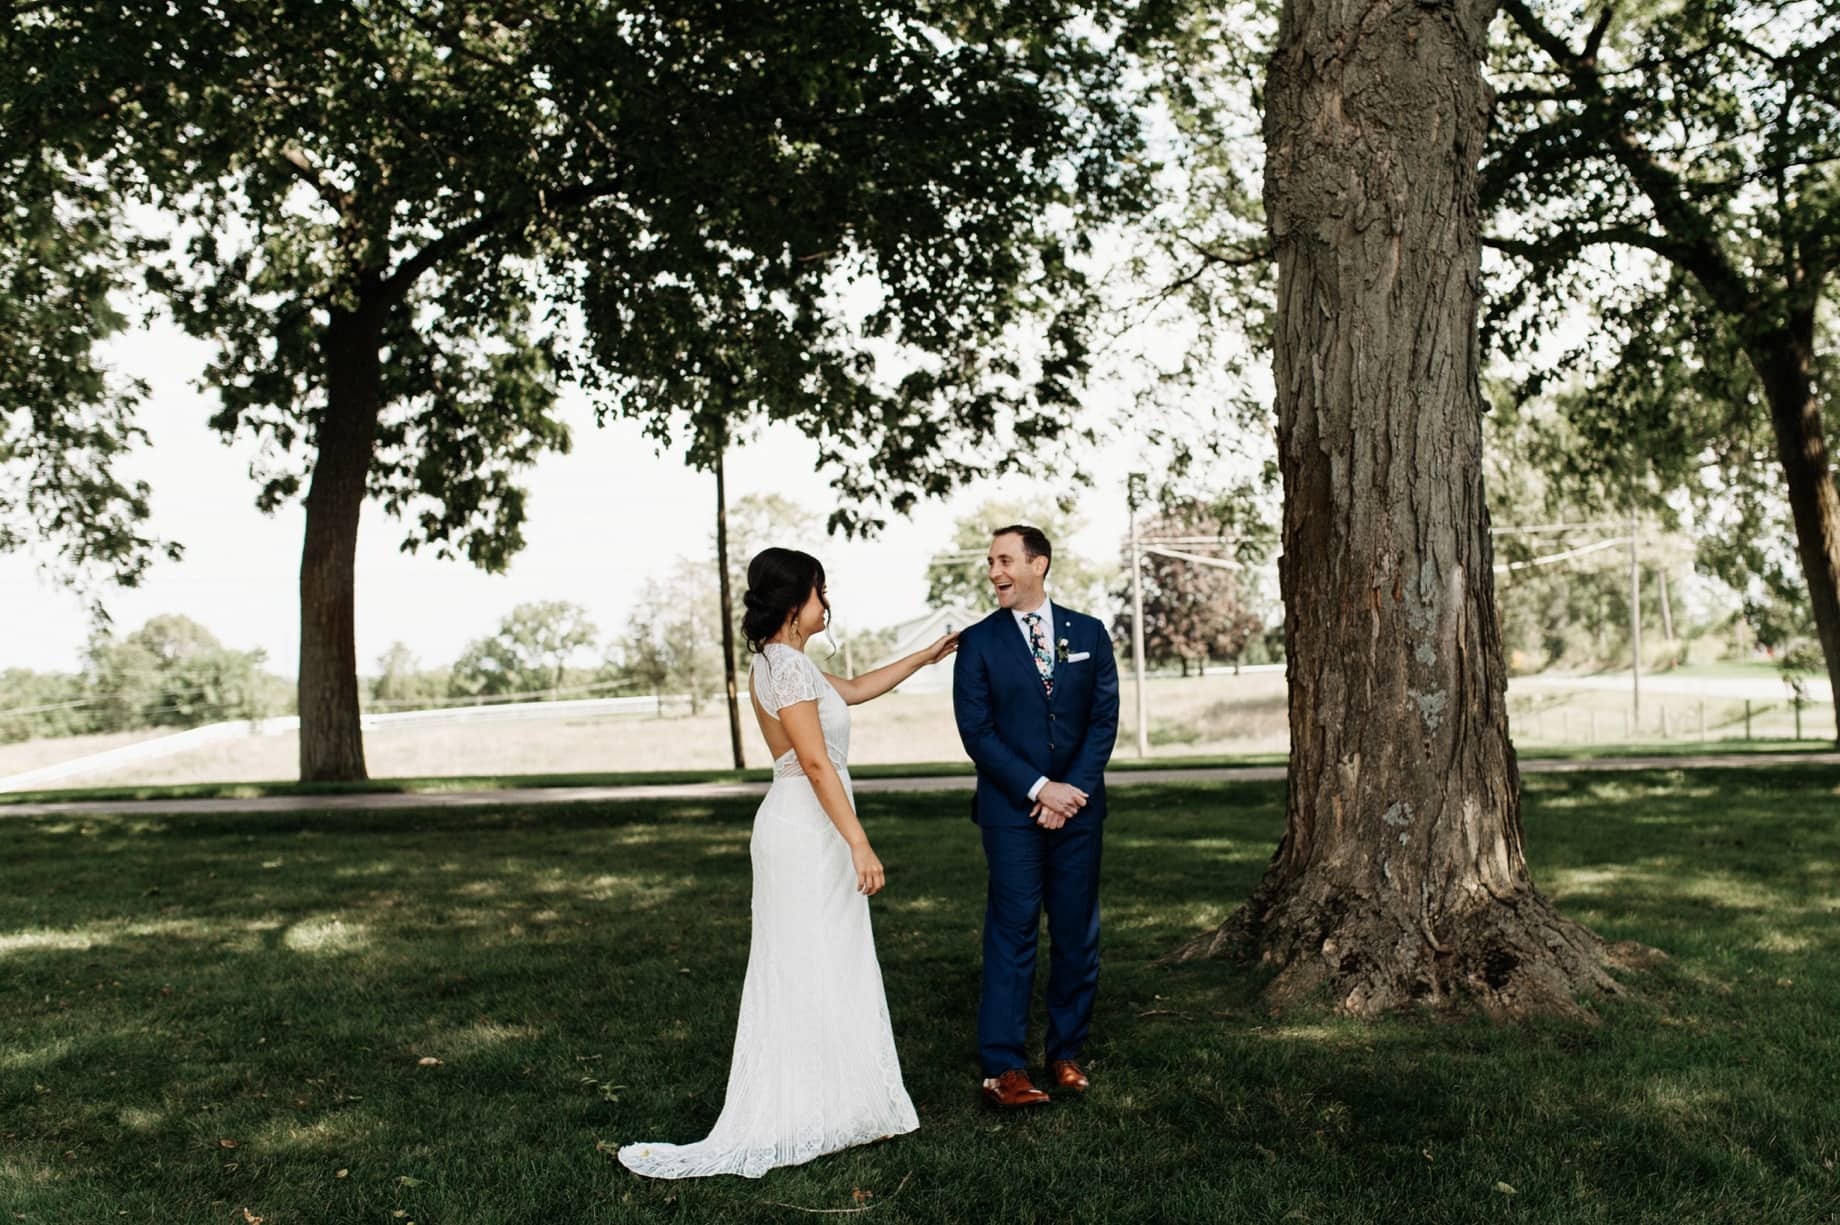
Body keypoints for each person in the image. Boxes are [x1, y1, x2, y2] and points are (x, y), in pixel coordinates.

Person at [619, 547, 958, 1179]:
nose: (826, 603)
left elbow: (854, 690)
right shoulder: (790, 669)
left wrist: (924, 655)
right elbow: (815, 762)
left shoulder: (780, 663)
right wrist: (859, 841)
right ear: (796, 602)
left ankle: (838, 1103)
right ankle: (807, 1109)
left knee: (825, 958)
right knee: (808, 961)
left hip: (803, 823)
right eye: (819, 593)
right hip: (809, 828)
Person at [951, 524, 1119, 1108]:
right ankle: (1005, 1067)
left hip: (1079, 809)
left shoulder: (1090, 634)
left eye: (1004, 560)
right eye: (991, 562)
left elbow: (1102, 721)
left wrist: (1071, 790)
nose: (995, 572)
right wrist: (1040, 789)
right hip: (1010, 812)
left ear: (1038, 564)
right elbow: (977, 732)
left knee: (1076, 932)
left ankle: (1066, 1053)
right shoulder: (978, 643)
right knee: (1013, 931)